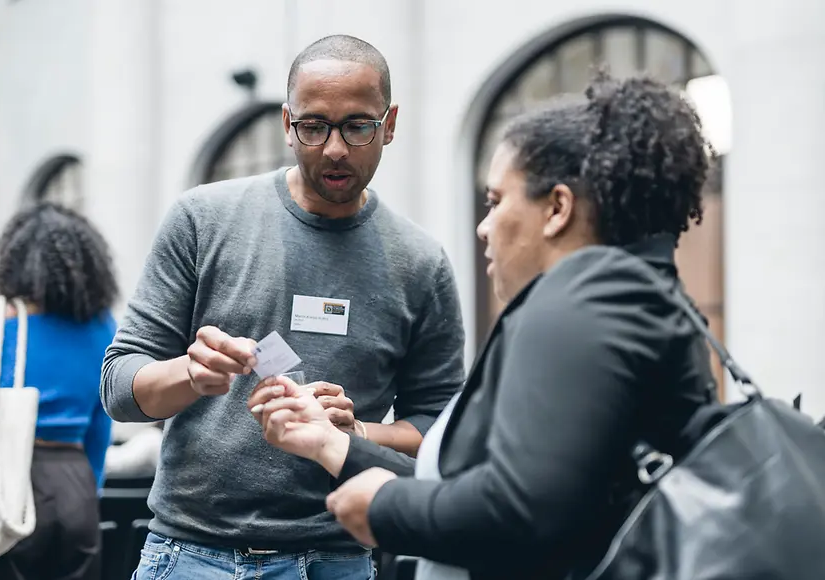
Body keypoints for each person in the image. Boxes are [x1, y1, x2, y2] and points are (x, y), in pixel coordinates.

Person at [248, 71, 717, 579]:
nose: (483, 227)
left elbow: (516, 511)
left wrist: (386, 508)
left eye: (495, 201)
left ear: (557, 208)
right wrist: (330, 443)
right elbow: (500, 487)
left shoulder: (581, 308)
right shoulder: (628, 300)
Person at [100, 34, 465, 580]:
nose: (335, 148)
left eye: (357, 126)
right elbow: (118, 388)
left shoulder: (420, 263)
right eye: (314, 126)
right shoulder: (203, 219)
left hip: (337, 558)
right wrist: (190, 374)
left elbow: (441, 431)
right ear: (287, 124)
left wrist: (355, 434)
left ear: (389, 125)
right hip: (192, 554)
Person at [0, 202, 118, 580]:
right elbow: (101, 427)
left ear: (14, 260)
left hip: (4, 478)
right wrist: (86, 492)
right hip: (76, 485)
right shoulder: (102, 328)